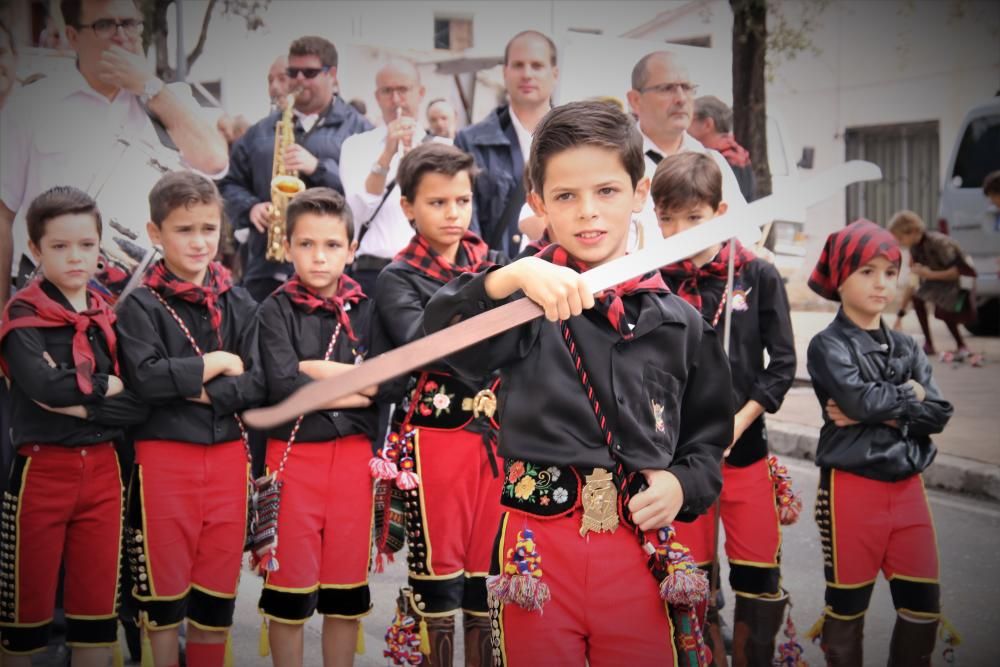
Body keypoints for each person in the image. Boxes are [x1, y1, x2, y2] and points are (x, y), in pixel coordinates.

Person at [423, 100, 733, 666]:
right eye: (566, 196)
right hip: (536, 557)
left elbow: (707, 442)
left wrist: (682, 487)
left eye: (607, 191)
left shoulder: (679, 322)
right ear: (539, 203)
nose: (588, 212)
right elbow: (440, 341)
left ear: (640, 193)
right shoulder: (521, 302)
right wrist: (506, 278)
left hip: (639, 553)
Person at [115, 171, 264, 667]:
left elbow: (258, 384)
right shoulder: (139, 305)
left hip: (227, 461)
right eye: (184, 230)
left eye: (208, 228)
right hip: (163, 460)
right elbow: (145, 381)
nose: (200, 242)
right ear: (155, 233)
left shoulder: (238, 300)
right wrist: (217, 364)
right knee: (161, 598)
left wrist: (184, 387)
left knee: (216, 598)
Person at [655, 152, 797, 666]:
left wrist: (737, 421)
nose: (677, 230)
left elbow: (781, 364)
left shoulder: (757, 273)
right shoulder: (655, 279)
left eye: (691, 218)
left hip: (744, 450)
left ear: (718, 212)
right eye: (666, 218)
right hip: (681, 457)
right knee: (690, 581)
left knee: (759, 578)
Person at [370, 143, 505, 667]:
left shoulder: (493, 265)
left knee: (489, 573)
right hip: (435, 440)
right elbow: (425, 342)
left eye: (462, 201)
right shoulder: (397, 276)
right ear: (408, 208)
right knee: (439, 578)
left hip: (497, 438)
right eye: (438, 203)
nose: (454, 214)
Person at [0, 187, 148, 666]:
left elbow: (137, 404)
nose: (75, 257)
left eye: (86, 245)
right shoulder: (21, 314)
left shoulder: (109, 316)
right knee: (22, 626)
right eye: (60, 246)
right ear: (36, 250)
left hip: (105, 475)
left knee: (95, 621)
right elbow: (43, 385)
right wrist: (105, 387)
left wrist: (78, 398)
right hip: (41, 475)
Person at [0, 0, 230, 308]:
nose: (122, 35)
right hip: (52, 298)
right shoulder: (32, 104)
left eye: (130, 24)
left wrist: (150, 87)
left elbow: (214, 160)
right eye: (105, 25)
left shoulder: (168, 99)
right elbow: (3, 216)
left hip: (146, 302)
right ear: (73, 36)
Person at [805, 220, 954, 667]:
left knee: (922, 610)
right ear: (840, 277)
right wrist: (911, 398)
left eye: (890, 272)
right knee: (847, 612)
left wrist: (881, 409)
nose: (882, 283)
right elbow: (856, 399)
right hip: (851, 491)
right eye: (867, 271)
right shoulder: (827, 345)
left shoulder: (908, 345)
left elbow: (940, 413)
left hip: (909, 491)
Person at [255, 188, 378, 667]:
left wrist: (315, 372)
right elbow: (284, 387)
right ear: (287, 247)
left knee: (345, 594)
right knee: (288, 594)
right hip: (292, 460)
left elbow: (381, 384)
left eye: (331, 245)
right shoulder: (273, 310)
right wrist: (354, 386)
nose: (319, 257)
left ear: (351, 250)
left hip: (353, 461)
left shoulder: (367, 308)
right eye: (306, 244)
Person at [220, 35, 372, 302]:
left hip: (334, 270)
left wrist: (318, 168)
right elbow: (229, 184)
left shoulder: (360, 129)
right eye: (293, 72)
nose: (299, 79)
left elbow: (368, 194)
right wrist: (250, 206)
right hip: (267, 268)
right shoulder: (260, 132)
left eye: (310, 72)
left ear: (332, 74)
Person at [339, 59, 444, 297]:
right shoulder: (355, 146)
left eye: (403, 90)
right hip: (371, 273)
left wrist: (414, 156)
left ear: (420, 93)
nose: (396, 100)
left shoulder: (443, 147)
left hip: (429, 271)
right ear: (377, 97)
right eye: (387, 91)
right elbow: (358, 212)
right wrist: (386, 154)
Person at [627, 51, 748, 246]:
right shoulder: (615, 158)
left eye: (687, 87)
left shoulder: (713, 161)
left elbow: (743, 237)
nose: (681, 98)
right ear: (635, 100)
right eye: (667, 88)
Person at [455, 30, 559, 256]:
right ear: (505, 72)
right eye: (518, 65)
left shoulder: (576, 138)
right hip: (498, 276)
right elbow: (464, 221)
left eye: (537, 65)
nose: (527, 74)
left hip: (567, 276)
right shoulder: (471, 141)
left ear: (555, 73)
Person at [890, 210, 981, 364]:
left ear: (913, 231)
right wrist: (900, 315)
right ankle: (929, 344)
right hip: (938, 282)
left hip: (959, 283)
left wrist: (929, 274)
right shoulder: (915, 248)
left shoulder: (939, 243)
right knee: (917, 297)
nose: (899, 242)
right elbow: (912, 283)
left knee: (943, 308)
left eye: (900, 237)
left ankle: (961, 345)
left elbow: (958, 272)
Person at [689, 95, 756, 202]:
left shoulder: (725, 160)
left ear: (707, 124)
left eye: (689, 119)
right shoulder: (736, 154)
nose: (684, 125)